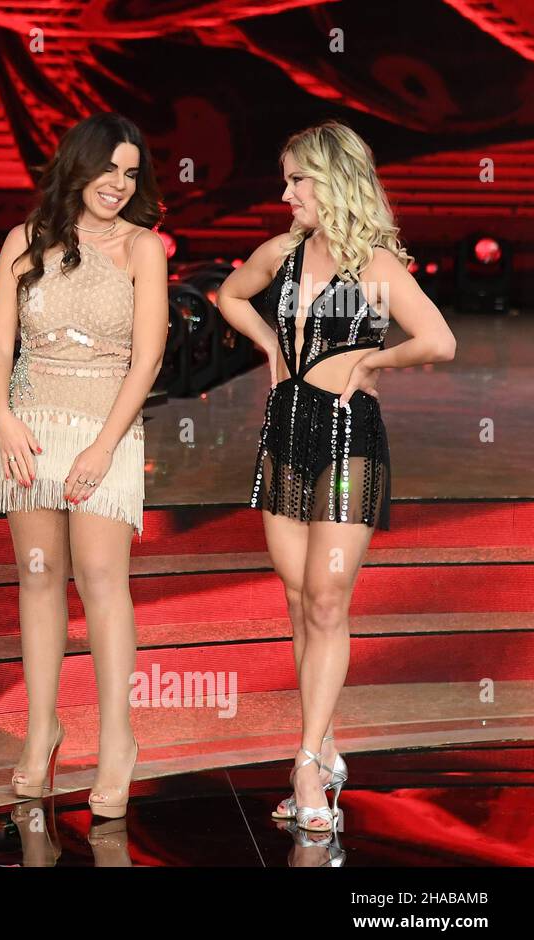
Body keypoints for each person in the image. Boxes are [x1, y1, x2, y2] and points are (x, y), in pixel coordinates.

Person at [219, 120, 456, 833]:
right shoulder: (283, 254)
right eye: (286, 178)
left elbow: (439, 339)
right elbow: (231, 295)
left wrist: (370, 362)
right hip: (284, 430)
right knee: (298, 597)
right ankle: (322, 739)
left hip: (350, 437)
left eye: (298, 180)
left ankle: (306, 763)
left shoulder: (374, 267)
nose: (285, 191)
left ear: (335, 181)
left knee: (325, 599)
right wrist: (268, 347)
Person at [0, 113, 168, 817]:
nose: (119, 184)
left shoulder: (143, 249)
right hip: (28, 426)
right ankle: (41, 732)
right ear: (77, 166)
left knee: (100, 579)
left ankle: (119, 742)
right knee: (36, 581)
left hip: (105, 428)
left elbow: (146, 357)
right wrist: (2, 417)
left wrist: (102, 446)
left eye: (130, 172)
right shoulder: (25, 242)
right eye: (107, 169)